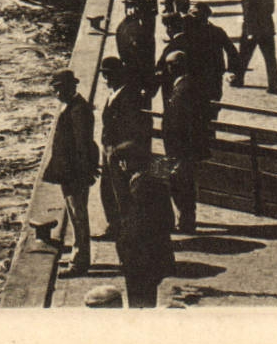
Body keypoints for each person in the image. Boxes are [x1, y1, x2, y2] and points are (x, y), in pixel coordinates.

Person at [43, 69, 97, 277]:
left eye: (58, 89)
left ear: (68, 88)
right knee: (76, 217)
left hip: (75, 174)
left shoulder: (77, 110)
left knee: (79, 217)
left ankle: (80, 262)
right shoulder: (74, 107)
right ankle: (78, 254)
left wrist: (83, 173)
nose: (56, 94)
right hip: (71, 173)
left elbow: (83, 145)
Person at [97, 57, 153, 239]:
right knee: (108, 188)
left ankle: (124, 230)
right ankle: (114, 225)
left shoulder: (129, 96)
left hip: (120, 152)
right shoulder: (115, 93)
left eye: (106, 75)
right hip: (109, 149)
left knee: (121, 192)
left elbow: (132, 128)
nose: (105, 80)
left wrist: (120, 151)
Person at [114, 147, 175, 308]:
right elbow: (169, 220)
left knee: (138, 302)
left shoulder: (138, 188)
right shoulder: (156, 182)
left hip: (139, 258)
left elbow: (133, 227)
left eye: (123, 161)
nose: (121, 166)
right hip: (156, 255)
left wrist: (123, 252)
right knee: (150, 299)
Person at [158, 51, 205, 233]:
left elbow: (182, 122)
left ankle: (185, 221)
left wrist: (178, 152)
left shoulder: (184, 88)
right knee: (179, 183)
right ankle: (184, 219)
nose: (167, 69)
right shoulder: (185, 85)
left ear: (175, 67)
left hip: (179, 148)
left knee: (180, 183)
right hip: (178, 148)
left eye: (169, 65)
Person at [232, 0, 277, 93]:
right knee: (270, 58)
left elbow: (247, 10)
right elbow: (270, 9)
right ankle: (274, 85)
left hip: (252, 28)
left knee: (244, 55)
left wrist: (249, 30)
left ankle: (238, 79)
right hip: (267, 27)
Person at [112, 0, 158, 87]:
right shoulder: (128, 28)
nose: (133, 10)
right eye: (130, 6)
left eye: (136, 5)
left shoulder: (142, 23)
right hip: (137, 77)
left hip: (142, 76)